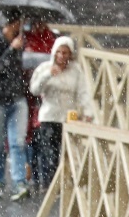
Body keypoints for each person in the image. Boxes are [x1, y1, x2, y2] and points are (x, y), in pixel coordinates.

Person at [29, 36, 94, 189]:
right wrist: (48, 75)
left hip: (67, 117)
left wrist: (88, 111)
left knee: (65, 152)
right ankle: (49, 184)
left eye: (65, 53)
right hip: (49, 116)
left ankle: (65, 183)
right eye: (59, 52)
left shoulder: (76, 71)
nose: (61, 56)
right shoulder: (45, 68)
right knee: (48, 152)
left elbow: (82, 92)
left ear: (70, 54)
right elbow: (34, 89)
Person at [0, 11, 30, 201]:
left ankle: (19, 182)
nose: (18, 29)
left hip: (17, 98)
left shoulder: (22, 44)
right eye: (16, 24)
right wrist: (11, 49)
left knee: (18, 143)